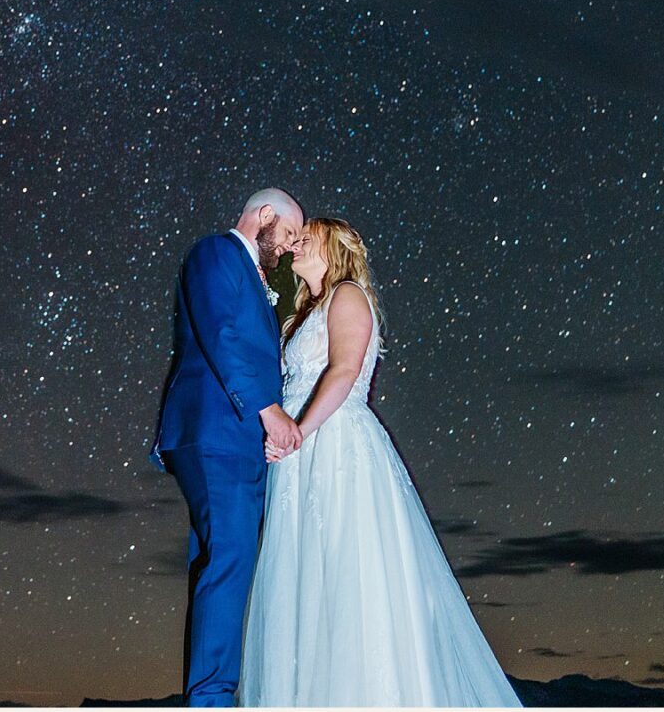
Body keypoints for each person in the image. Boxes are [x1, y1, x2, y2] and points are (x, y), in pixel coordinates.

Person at [236, 217, 523, 706]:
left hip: (336, 445)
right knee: (306, 587)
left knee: (353, 579)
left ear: (337, 249)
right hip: (300, 458)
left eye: (309, 237)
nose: (298, 242)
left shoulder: (347, 295)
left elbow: (345, 370)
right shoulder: (301, 314)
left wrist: (300, 431)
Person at [147, 187, 305, 707]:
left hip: (229, 438)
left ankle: (207, 694)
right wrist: (267, 408)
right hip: (220, 432)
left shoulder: (253, 276)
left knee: (216, 563)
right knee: (232, 558)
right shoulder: (215, 253)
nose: (285, 250)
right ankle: (212, 699)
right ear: (263, 216)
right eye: (284, 236)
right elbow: (222, 330)